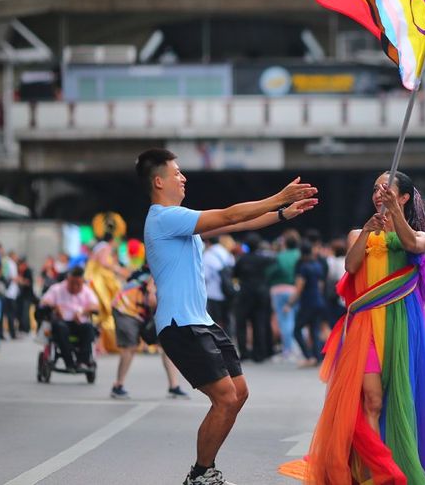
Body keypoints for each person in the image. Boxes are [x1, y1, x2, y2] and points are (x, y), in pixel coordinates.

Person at [135, 148, 316, 485]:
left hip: (201, 320)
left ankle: (205, 470)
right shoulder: (163, 218)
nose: (183, 177)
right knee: (225, 397)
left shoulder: (180, 220)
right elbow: (230, 216)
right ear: (159, 181)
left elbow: (240, 221)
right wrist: (278, 197)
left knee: (239, 391)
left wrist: (282, 214)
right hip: (181, 324)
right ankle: (201, 474)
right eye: (177, 173)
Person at [300, 171, 425, 485]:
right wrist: (368, 231)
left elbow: (413, 244)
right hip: (365, 326)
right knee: (372, 399)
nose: (377, 194)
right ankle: (374, 472)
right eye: (375, 189)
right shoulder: (359, 233)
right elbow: (351, 267)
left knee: (400, 396)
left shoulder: (422, 236)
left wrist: (395, 215)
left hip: (400, 326)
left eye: (386, 189)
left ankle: (398, 462)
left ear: (404, 197)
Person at [110, 264, 189, 400]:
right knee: (130, 347)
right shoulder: (160, 271)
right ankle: (118, 385)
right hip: (126, 307)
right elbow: (152, 298)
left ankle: (174, 386)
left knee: (167, 346)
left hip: (144, 311)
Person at [40, 267, 99, 372]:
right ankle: (69, 362)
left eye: (78, 284)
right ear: (68, 280)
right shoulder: (57, 289)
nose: (75, 287)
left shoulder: (86, 290)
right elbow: (44, 302)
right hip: (62, 322)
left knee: (89, 328)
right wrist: (55, 307)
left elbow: (95, 306)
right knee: (60, 328)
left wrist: (83, 311)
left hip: (79, 323)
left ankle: (83, 361)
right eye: (73, 283)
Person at [233, 233, 275, 363]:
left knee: (241, 323)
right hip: (261, 294)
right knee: (259, 323)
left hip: (245, 294)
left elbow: (235, 274)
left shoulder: (242, 259)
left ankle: (244, 352)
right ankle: (259, 353)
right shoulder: (264, 259)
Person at [287, 239, 326, 367]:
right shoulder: (317, 265)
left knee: (297, 330)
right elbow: (320, 285)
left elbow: (299, 288)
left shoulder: (303, 267)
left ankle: (308, 356)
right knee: (314, 330)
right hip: (318, 301)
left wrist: (289, 304)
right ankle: (317, 357)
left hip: (308, 302)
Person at [268, 230, 300, 361]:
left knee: (283, 320)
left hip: (278, 290)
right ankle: (294, 347)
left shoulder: (280, 256)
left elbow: (270, 272)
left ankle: (288, 349)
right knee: (293, 319)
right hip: (294, 289)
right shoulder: (299, 255)